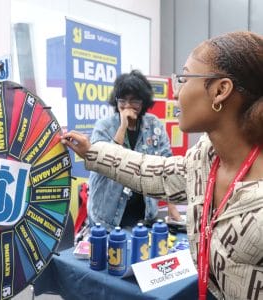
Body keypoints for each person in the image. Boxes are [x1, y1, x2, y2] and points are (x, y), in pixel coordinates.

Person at [62, 31, 263, 299]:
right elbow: (153, 171)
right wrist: (92, 151)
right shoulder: (206, 158)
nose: (177, 92)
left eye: (184, 78)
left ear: (220, 90)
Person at [87, 70, 172, 231]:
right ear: (116, 101)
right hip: (108, 214)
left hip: (145, 213)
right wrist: (123, 126)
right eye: (123, 100)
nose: (127, 105)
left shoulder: (154, 125)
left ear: (143, 102)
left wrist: (172, 207)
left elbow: (167, 166)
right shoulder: (104, 126)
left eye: (134, 101)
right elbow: (105, 161)